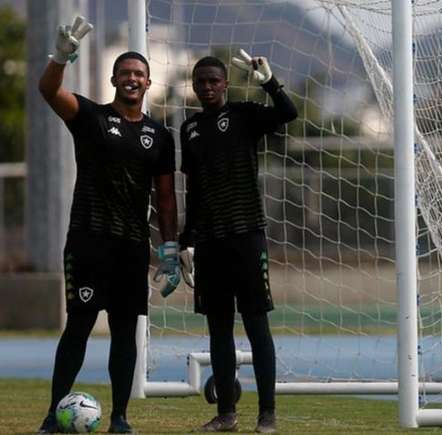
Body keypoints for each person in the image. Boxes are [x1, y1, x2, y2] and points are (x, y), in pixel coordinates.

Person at [36, 16, 181, 434]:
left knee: (124, 333)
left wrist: (169, 249)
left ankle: (120, 417)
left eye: (139, 74)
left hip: (131, 248)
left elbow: (165, 197)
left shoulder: (160, 135)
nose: (132, 79)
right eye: (125, 73)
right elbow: (48, 90)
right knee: (78, 327)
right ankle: (52, 416)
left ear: (148, 83)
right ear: (114, 79)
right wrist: (60, 57)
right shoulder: (91, 118)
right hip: (88, 242)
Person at [179, 51, 297, 433]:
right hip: (210, 244)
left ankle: (267, 414)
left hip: (247, 237)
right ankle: (226, 413)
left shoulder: (245, 114)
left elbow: (288, 113)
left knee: (256, 325)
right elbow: (193, 189)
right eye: (201, 82)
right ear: (194, 86)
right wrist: (185, 241)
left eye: (214, 80)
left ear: (225, 84)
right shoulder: (190, 128)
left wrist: (269, 81)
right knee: (218, 329)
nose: (207, 87)